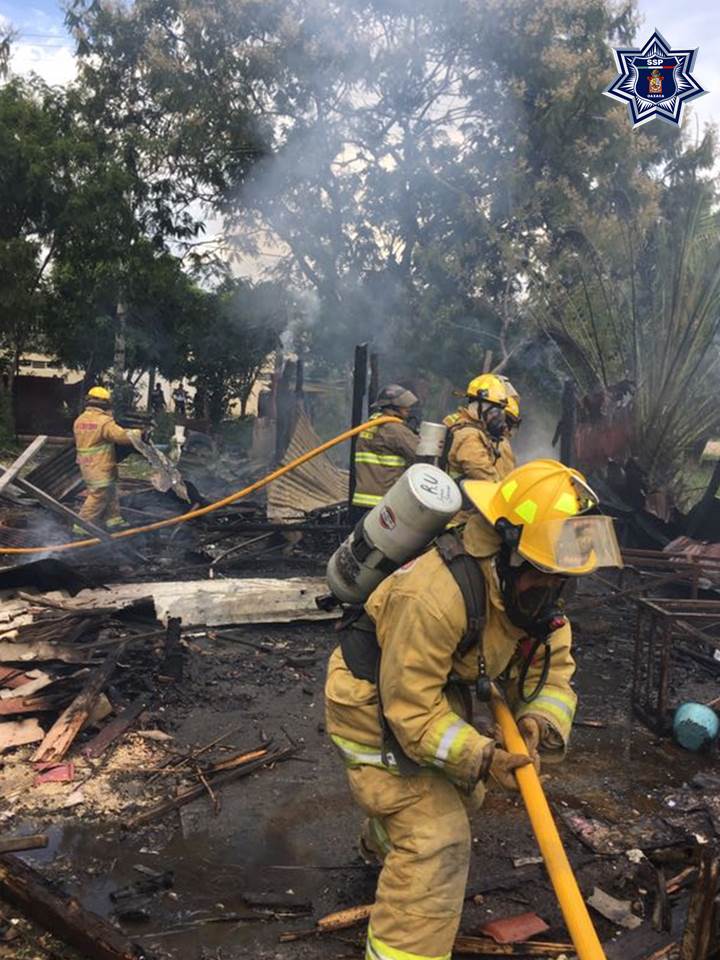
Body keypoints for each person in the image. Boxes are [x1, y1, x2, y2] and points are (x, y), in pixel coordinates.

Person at [325, 459, 622, 960]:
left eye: (563, 581)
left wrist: (537, 722)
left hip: (438, 695)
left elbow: (552, 673)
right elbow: (411, 711)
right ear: (508, 553)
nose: (555, 594)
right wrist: (484, 755)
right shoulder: (433, 595)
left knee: (460, 795)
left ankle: (386, 838)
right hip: (372, 706)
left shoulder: (531, 597)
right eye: (546, 577)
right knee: (438, 838)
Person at [72, 387, 141, 534]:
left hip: (86, 463)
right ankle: (82, 525)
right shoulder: (104, 421)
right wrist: (138, 433)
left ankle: (113, 519)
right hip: (100, 464)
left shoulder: (80, 419)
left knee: (110, 490)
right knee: (98, 494)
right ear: (105, 403)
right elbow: (121, 436)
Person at [350, 384, 420, 522]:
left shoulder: (370, 425)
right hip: (385, 499)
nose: (409, 409)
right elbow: (421, 454)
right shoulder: (394, 429)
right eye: (405, 406)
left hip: (363, 499)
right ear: (393, 407)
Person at [443, 373, 517, 482]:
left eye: (500, 413)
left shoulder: (480, 432)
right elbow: (481, 471)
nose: (497, 418)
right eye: (494, 412)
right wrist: (501, 492)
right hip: (464, 497)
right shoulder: (469, 434)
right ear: (479, 407)